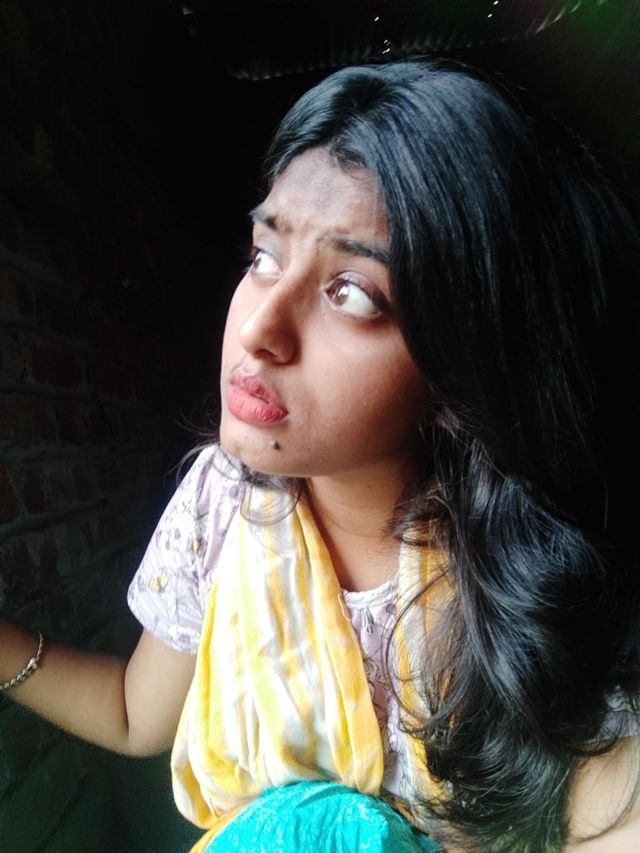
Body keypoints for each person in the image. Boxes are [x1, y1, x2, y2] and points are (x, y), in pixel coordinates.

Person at [1, 59, 639, 852]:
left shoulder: (532, 576)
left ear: (462, 364)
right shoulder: (221, 505)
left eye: (352, 293)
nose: (259, 327)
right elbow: (136, 714)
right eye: (264, 256)